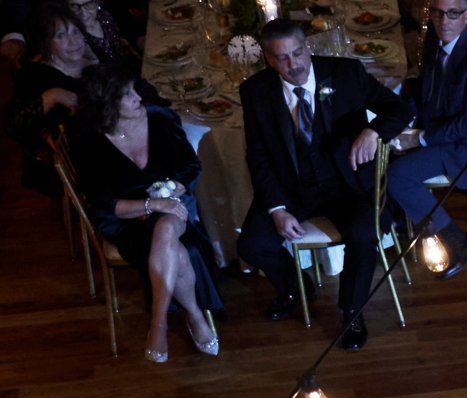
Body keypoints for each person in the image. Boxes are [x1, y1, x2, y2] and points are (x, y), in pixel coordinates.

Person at [236, 19, 410, 351]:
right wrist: (276, 209)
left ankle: (352, 311)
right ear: (269, 60)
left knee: (364, 234)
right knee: (252, 245)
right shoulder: (255, 92)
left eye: (298, 53)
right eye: (282, 58)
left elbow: (399, 108)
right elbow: (257, 156)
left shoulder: (346, 74)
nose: (294, 65)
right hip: (293, 189)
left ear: (307, 47)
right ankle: (294, 286)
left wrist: (374, 131)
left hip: (349, 185)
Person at [68, 64, 223, 363]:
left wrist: (172, 190)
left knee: (166, 227)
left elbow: (191, 167)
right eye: (127, 94)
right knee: (178, 251)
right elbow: (103, 203)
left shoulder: (161, 118)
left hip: (174, 210)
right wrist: (150, 206)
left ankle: (158, 324)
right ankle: (194, 315)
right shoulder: (88, 141)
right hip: (125, 222)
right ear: (107, 105)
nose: (138, 97)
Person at [386, 0, 467, 280]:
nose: (444, 21)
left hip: (466, 149)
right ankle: (404, 218)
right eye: (437, 13)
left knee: (396, 175)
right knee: (383, 146)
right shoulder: (435, 40)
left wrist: (421, 139)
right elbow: (426, 88)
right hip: (441, 129)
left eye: (453, 13)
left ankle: (457, 240)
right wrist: (408, 122)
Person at [3, 3, 88, 199]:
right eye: (60, 36)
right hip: (78, 172)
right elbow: (12, 124)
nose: (73, 41)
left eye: (76, 31)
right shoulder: (34, 76)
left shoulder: (88, 63)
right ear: (45, 44)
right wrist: (53, 95)